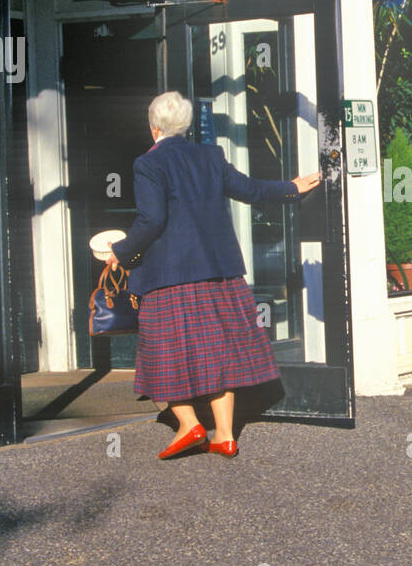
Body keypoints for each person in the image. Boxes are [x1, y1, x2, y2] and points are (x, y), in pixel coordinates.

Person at [109, 91, 320, 459]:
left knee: (166, 352)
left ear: (153, 126)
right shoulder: (209, 155)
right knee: (218, 351)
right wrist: (291, 188)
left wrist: (121, 253)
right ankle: (224, 435)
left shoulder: (148, 164)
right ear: (186, 125)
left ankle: (190, 425)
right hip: (218, 272)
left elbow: (152, 220)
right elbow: (251, 190)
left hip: (170, 277)